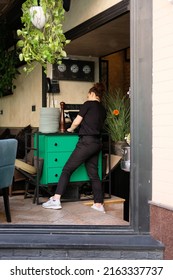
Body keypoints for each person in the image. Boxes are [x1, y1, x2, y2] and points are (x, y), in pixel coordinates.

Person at [42, 82, 107, 213]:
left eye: (88, 95)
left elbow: (77, 121)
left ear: (92, 94)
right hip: (97, 143)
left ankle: (56, 199)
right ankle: (98, 204)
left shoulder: (87, 104)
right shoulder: (103, 109)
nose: (87, 97)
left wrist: (71, 129)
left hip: (86, 142)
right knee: (94, 174)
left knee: (67, 169)